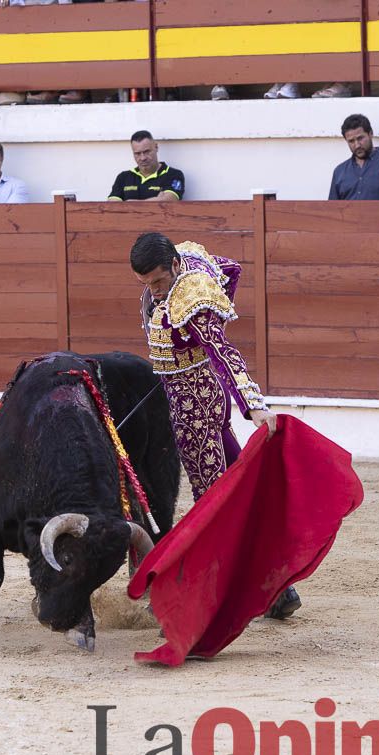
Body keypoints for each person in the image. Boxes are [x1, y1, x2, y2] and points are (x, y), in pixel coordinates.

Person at [129, 232, 301, 620]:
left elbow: (223, 352)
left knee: (213, 503)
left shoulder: (193, 297)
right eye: (146, 284)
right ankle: (278, 588)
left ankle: (214, 597)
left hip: (197, 406)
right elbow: (229, 269)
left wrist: (253, 405)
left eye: (158, 281)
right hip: (193, 393)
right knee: (237, 487)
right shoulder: (186, 259)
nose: (155, 292)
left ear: (174, 265)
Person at [108, 131, 184, 202]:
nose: (143, 158)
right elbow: (112, 206)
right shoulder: (123, 177)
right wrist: (157, 199)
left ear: (156, 147)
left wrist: (129, 203)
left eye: (147, 152)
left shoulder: (173, 174)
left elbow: (169, 200)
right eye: (137, 153)